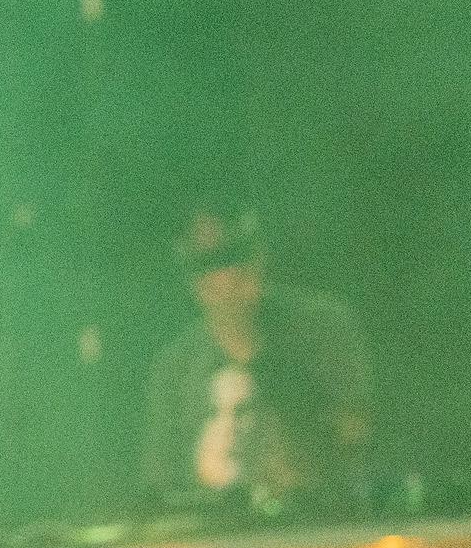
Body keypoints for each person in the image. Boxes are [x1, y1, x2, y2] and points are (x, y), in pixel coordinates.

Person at [135, 204, 374, 512]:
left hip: (309, 528)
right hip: (207, 540)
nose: (223, 277)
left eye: (233, 255)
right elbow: (158, 482)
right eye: (203, 264)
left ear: (258, 257)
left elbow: (356, 437)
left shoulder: (320, 329)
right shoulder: (176, 367)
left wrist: (259, 353)